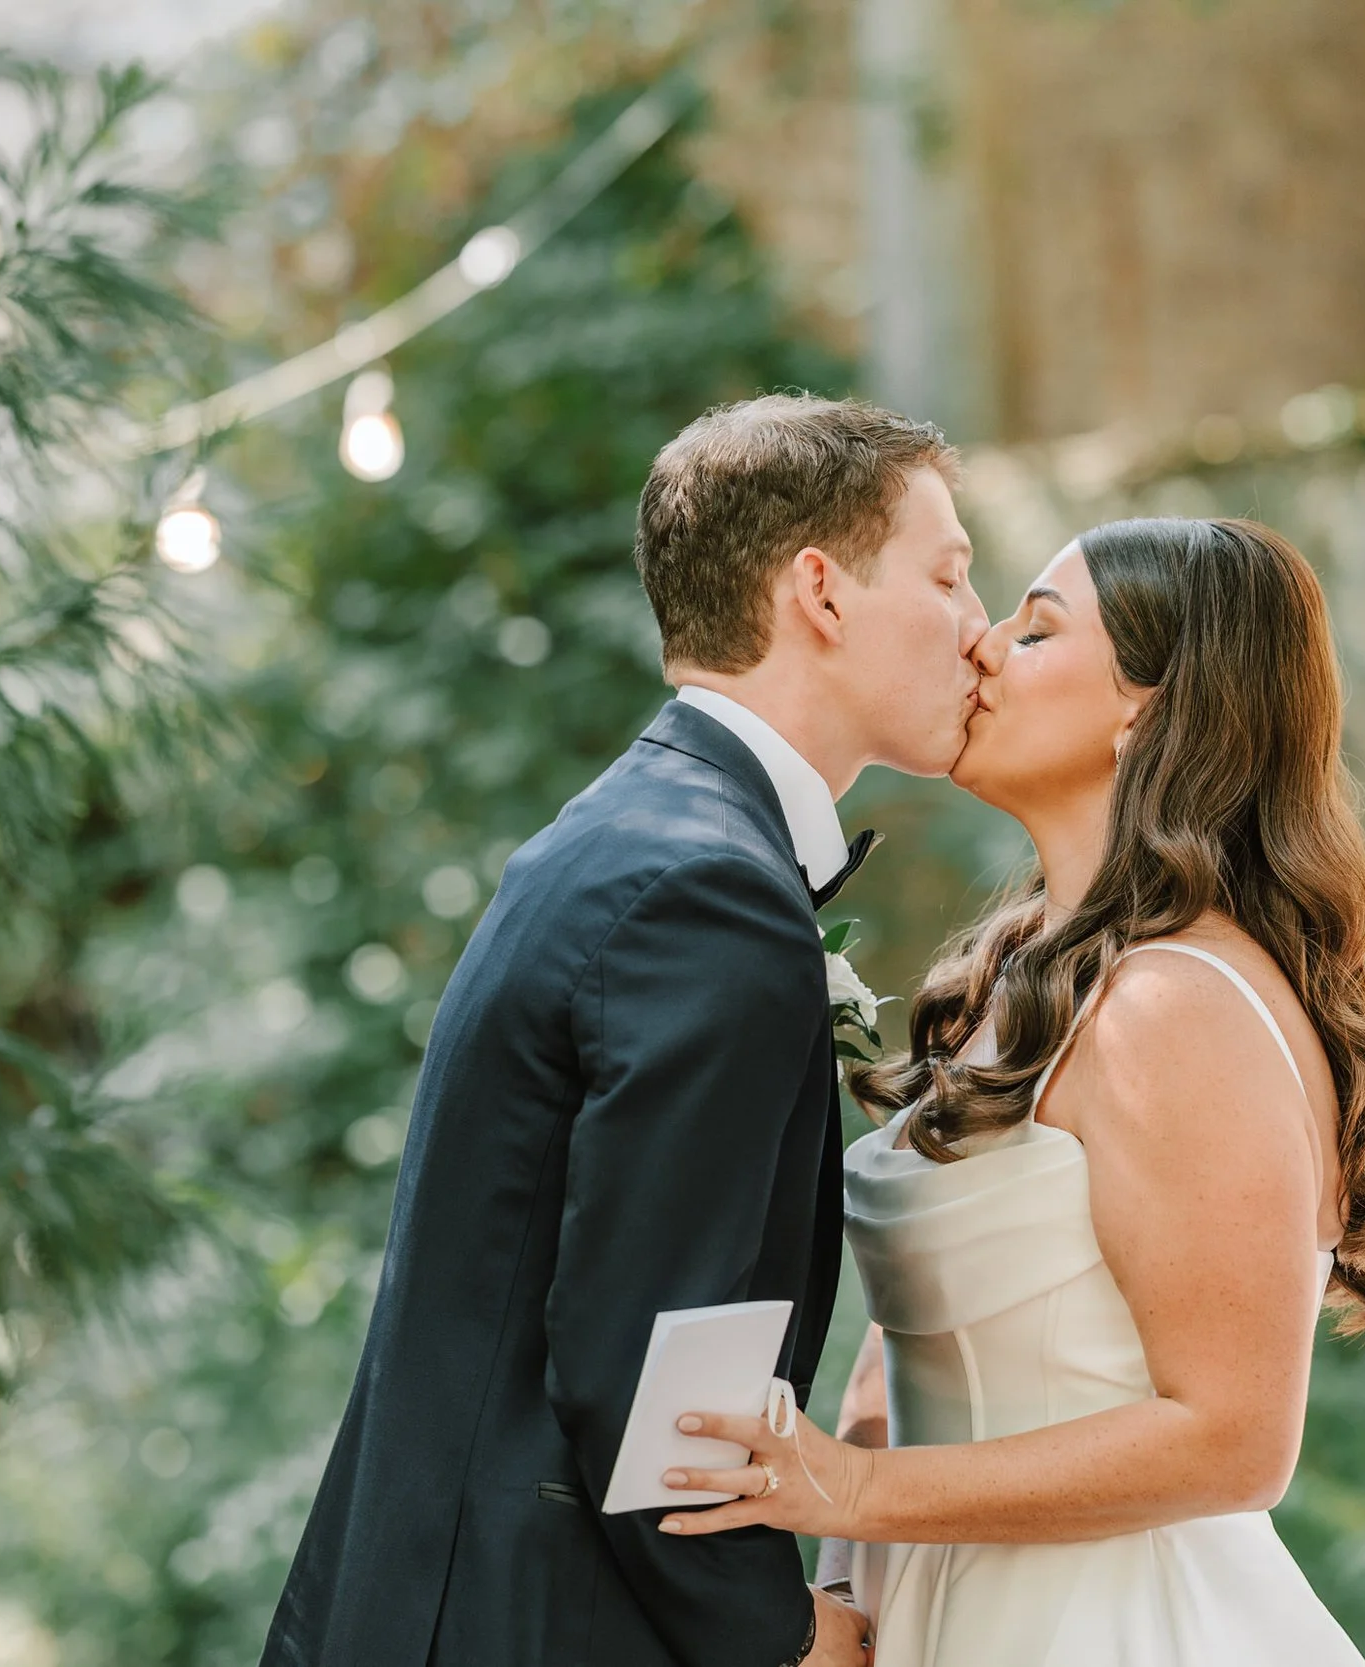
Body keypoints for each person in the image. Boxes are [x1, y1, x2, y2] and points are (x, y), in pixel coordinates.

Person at [259, 395, 988, 1667]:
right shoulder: (704, 889)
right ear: (819, 589)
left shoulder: (635, 834)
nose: (977, 632)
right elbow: (647, 1355)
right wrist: (775, 1632)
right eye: (949, 576)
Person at [656, 516, 1365, 1666]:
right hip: (937, 1605)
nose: (978, 645)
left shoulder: (1175, 1005)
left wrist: (853, 1489)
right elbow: (913, 1336)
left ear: (1147, 706)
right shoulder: (1025, 978)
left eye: (1033, 631)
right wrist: (841, 1584)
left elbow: (1233, 1440)